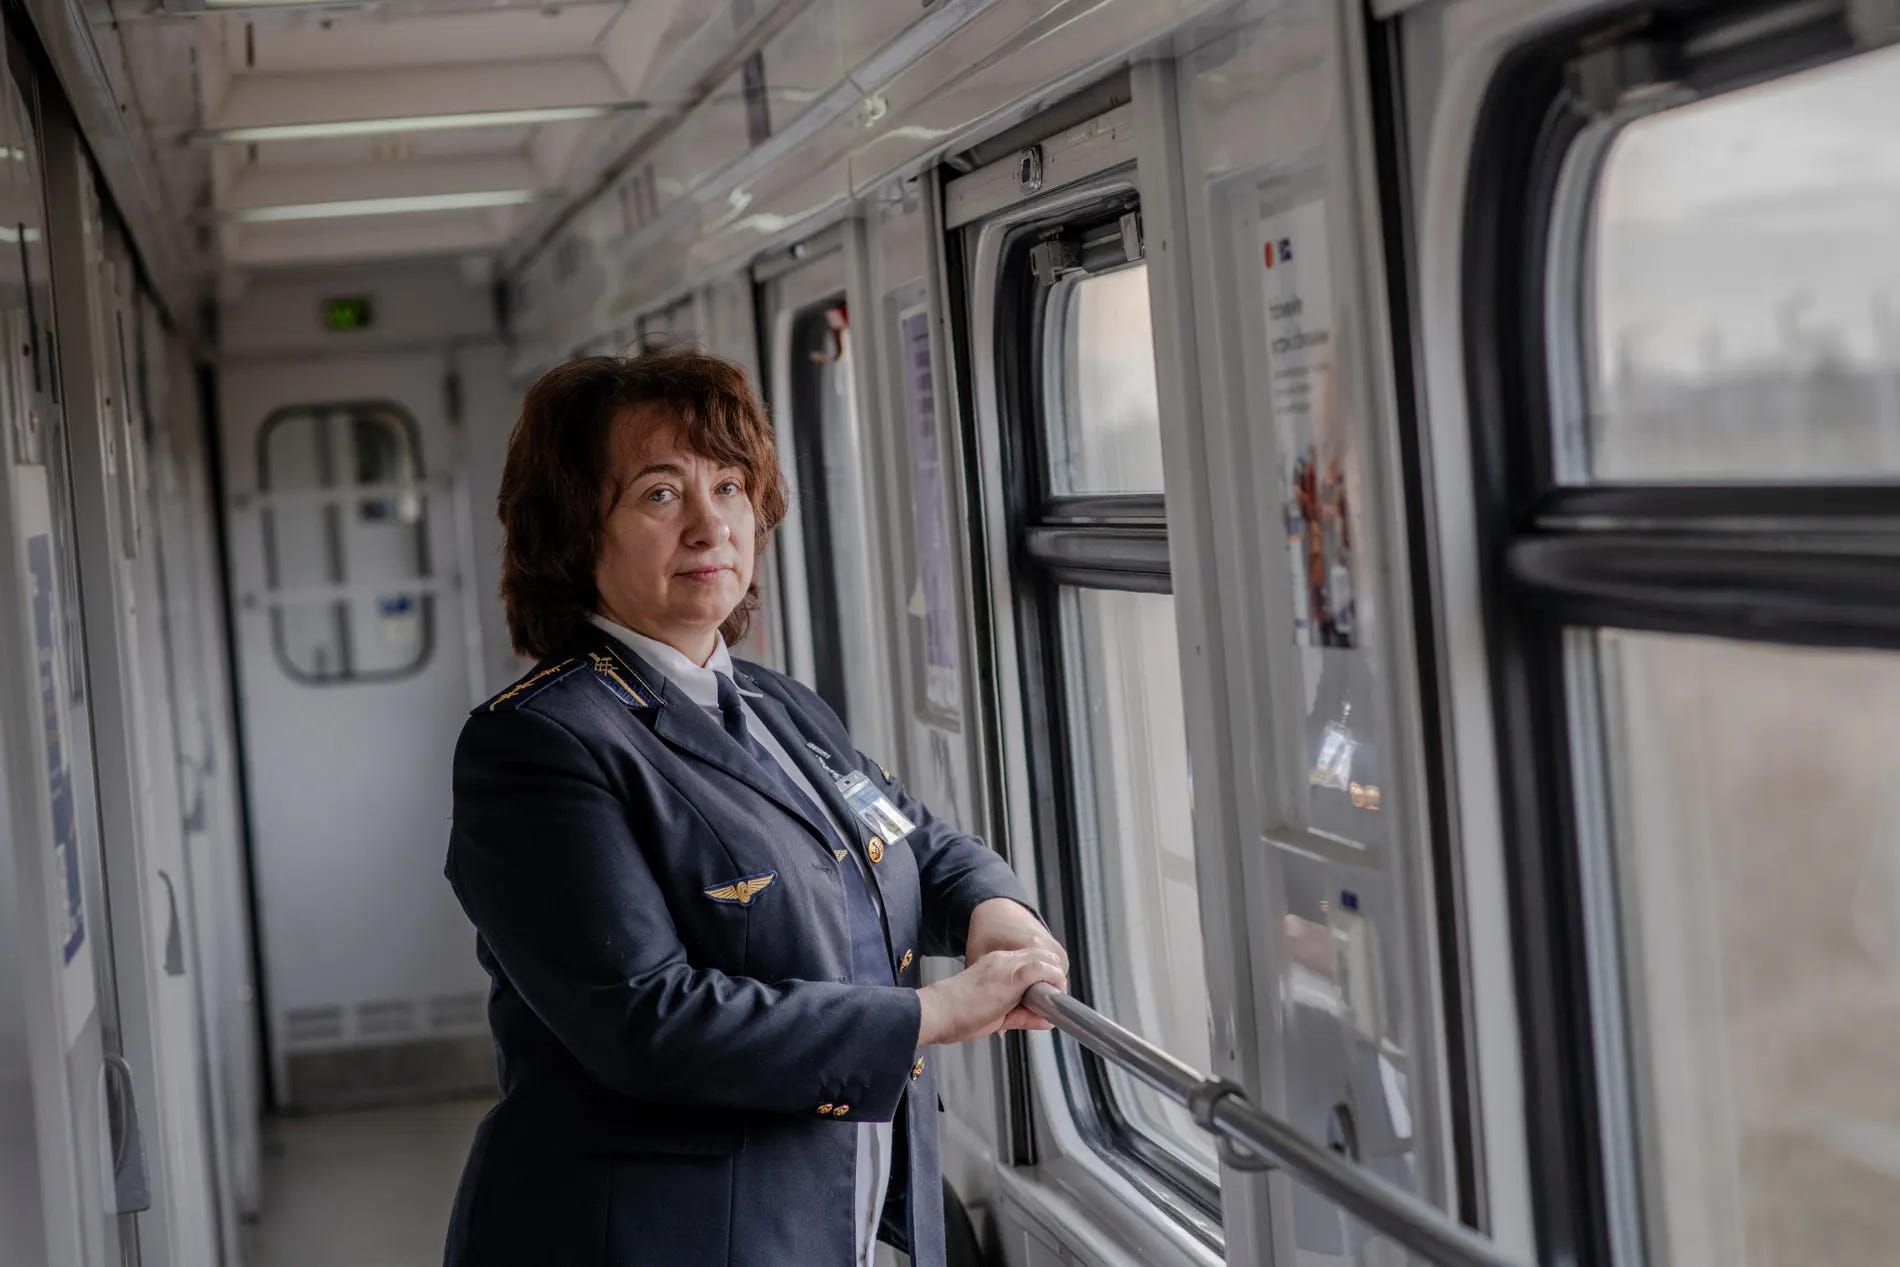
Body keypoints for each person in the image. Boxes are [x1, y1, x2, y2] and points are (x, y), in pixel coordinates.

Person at [443, 347, 1068, 1267]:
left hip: (817, 1225)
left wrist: (994, 908)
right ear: (576, 531)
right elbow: (649, 1023)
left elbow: (909, 841)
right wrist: (934, 1012)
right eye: (661, 493)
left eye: (730, 487)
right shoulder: (539, 745)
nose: (710, 526)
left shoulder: (778, 707)